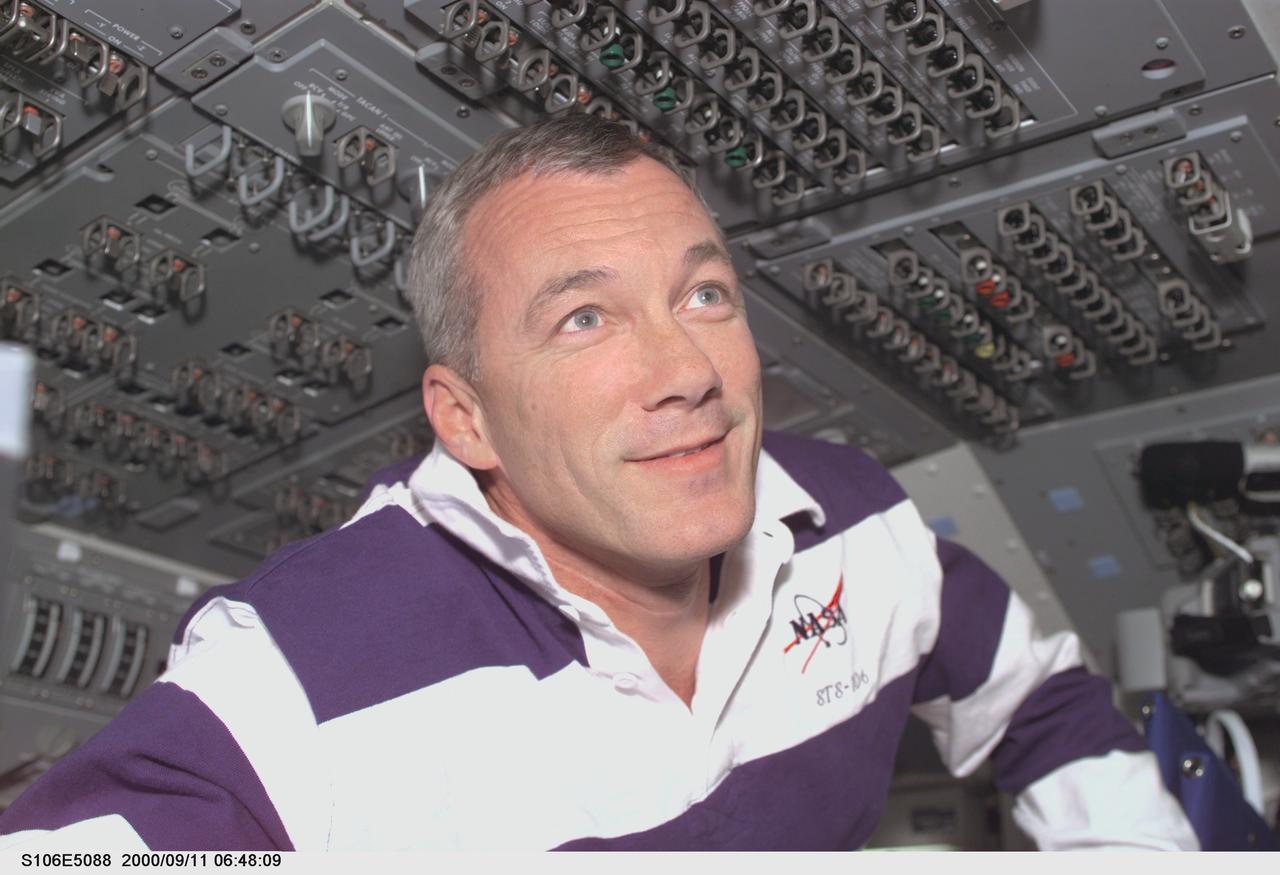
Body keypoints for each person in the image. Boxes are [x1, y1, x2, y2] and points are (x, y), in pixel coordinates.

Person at [0, 114, 1195, 850]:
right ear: (465, 416)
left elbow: (1043, 707)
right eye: (584, 318)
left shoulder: (856, 528)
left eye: (703, 294)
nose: (685, 370)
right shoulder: (299, 674)